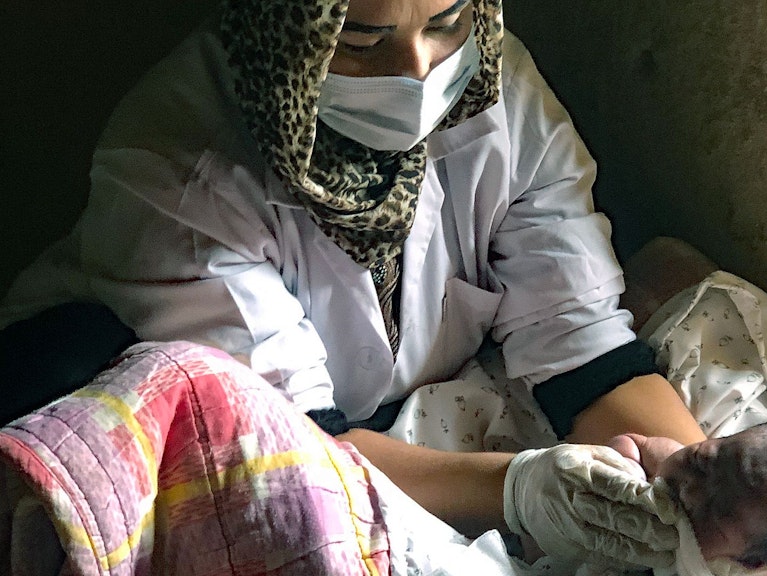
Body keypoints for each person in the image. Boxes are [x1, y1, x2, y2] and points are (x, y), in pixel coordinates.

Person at [0, 0, 707, 570]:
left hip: (351, 422)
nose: (420, 72)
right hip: (92, 380)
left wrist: (715, 490)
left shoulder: (497, 91)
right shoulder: (175, 166)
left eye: (446, 22)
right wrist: (519, 490)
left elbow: (584, 351)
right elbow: (290, 451)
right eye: (363, 41)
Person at [607, 420, 767, 572]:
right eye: (700, 462)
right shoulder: (664, 462)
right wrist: (626, 468)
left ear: (749, 561)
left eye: (716, 512)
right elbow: (633, 442)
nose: (689, 489)